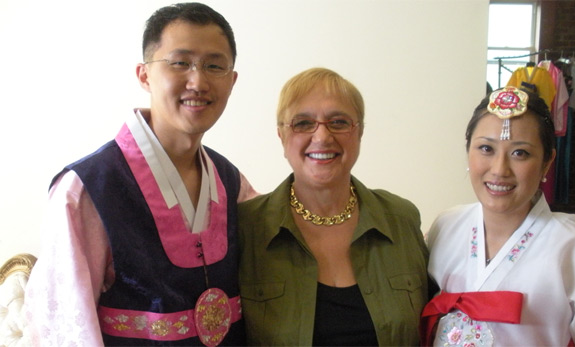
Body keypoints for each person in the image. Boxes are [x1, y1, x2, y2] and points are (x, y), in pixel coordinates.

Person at [24, 3, 258, 346]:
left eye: (214, 65)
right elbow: (63, 329)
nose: (198, 80)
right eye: (180, 63)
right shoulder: (89, 188)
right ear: (144, 74)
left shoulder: (231, 182)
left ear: (232, 80)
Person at [238, 67, 431, 346]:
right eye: (303, 123)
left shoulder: (401, 219)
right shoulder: (247, 228)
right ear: (281, 135)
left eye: (338, 122)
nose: (322, 137)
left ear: (359, 132)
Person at [422, 86, 575, 346]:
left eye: (520, 153)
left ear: (547, 162)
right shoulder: (446, 226)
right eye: (486, 149)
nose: (499, 170)